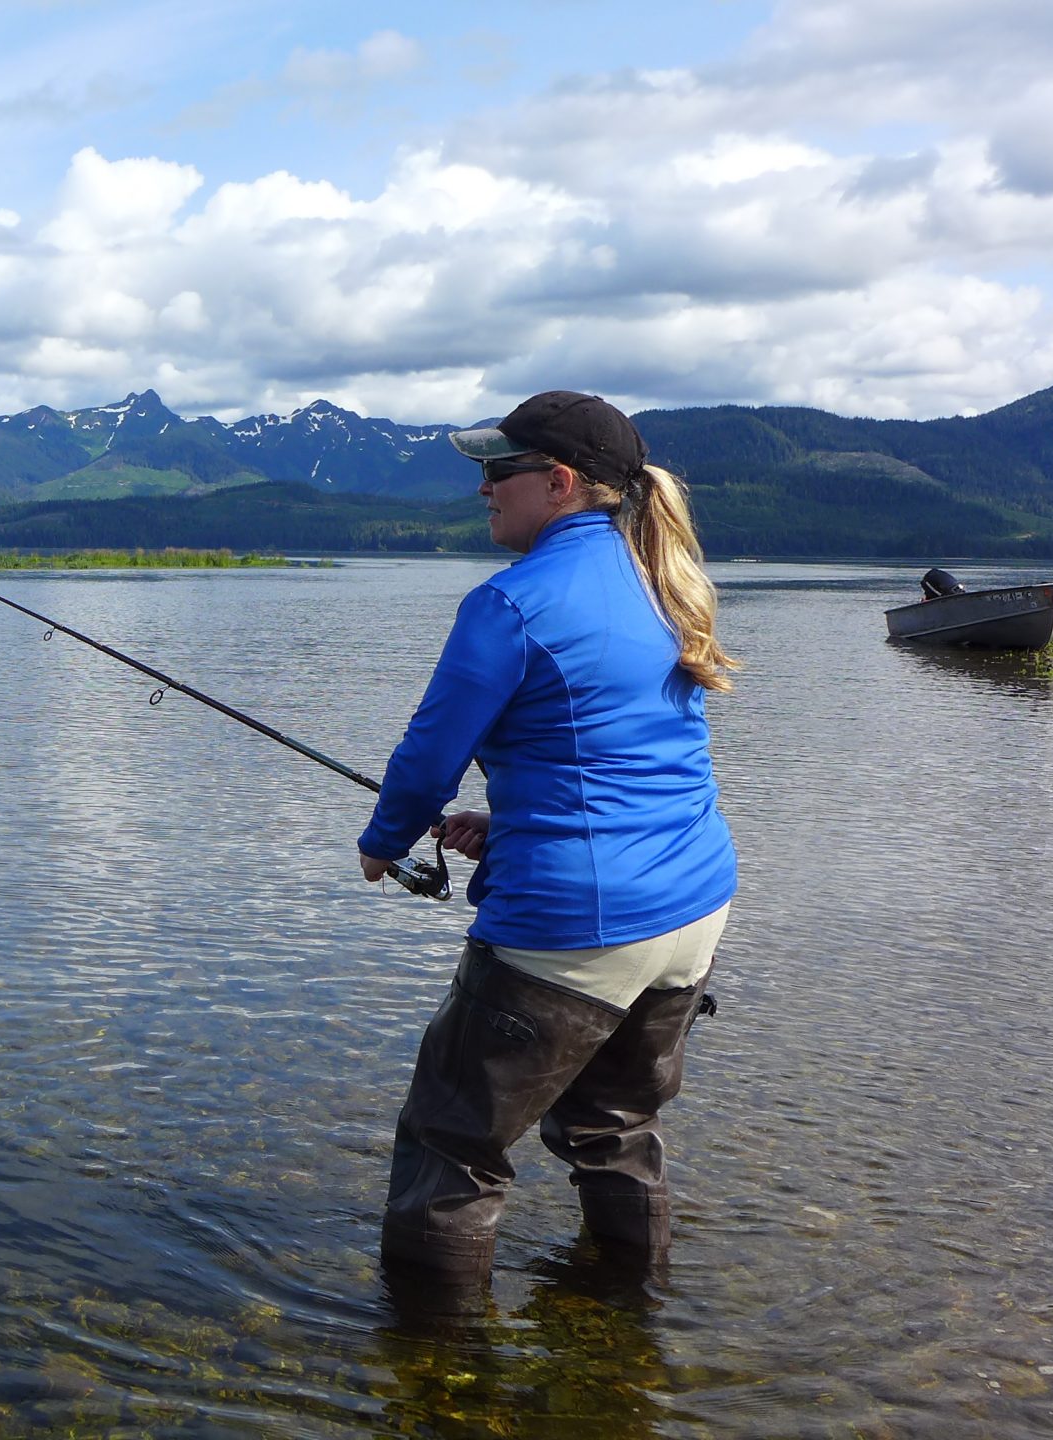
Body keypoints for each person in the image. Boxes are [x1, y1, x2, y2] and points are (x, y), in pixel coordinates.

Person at [355, 390, 739, 1311]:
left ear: (558, 483)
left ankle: (433, 1374)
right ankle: (631, 1319)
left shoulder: (513, 601)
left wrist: (383, 840)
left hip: (574, 922)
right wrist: (512, 822)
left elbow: (430, 753)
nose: (482, 490)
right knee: (615, 1126)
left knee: (452, 1142)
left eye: (497, 472)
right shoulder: (660, 578)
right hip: (692, 908)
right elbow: (622, 753)